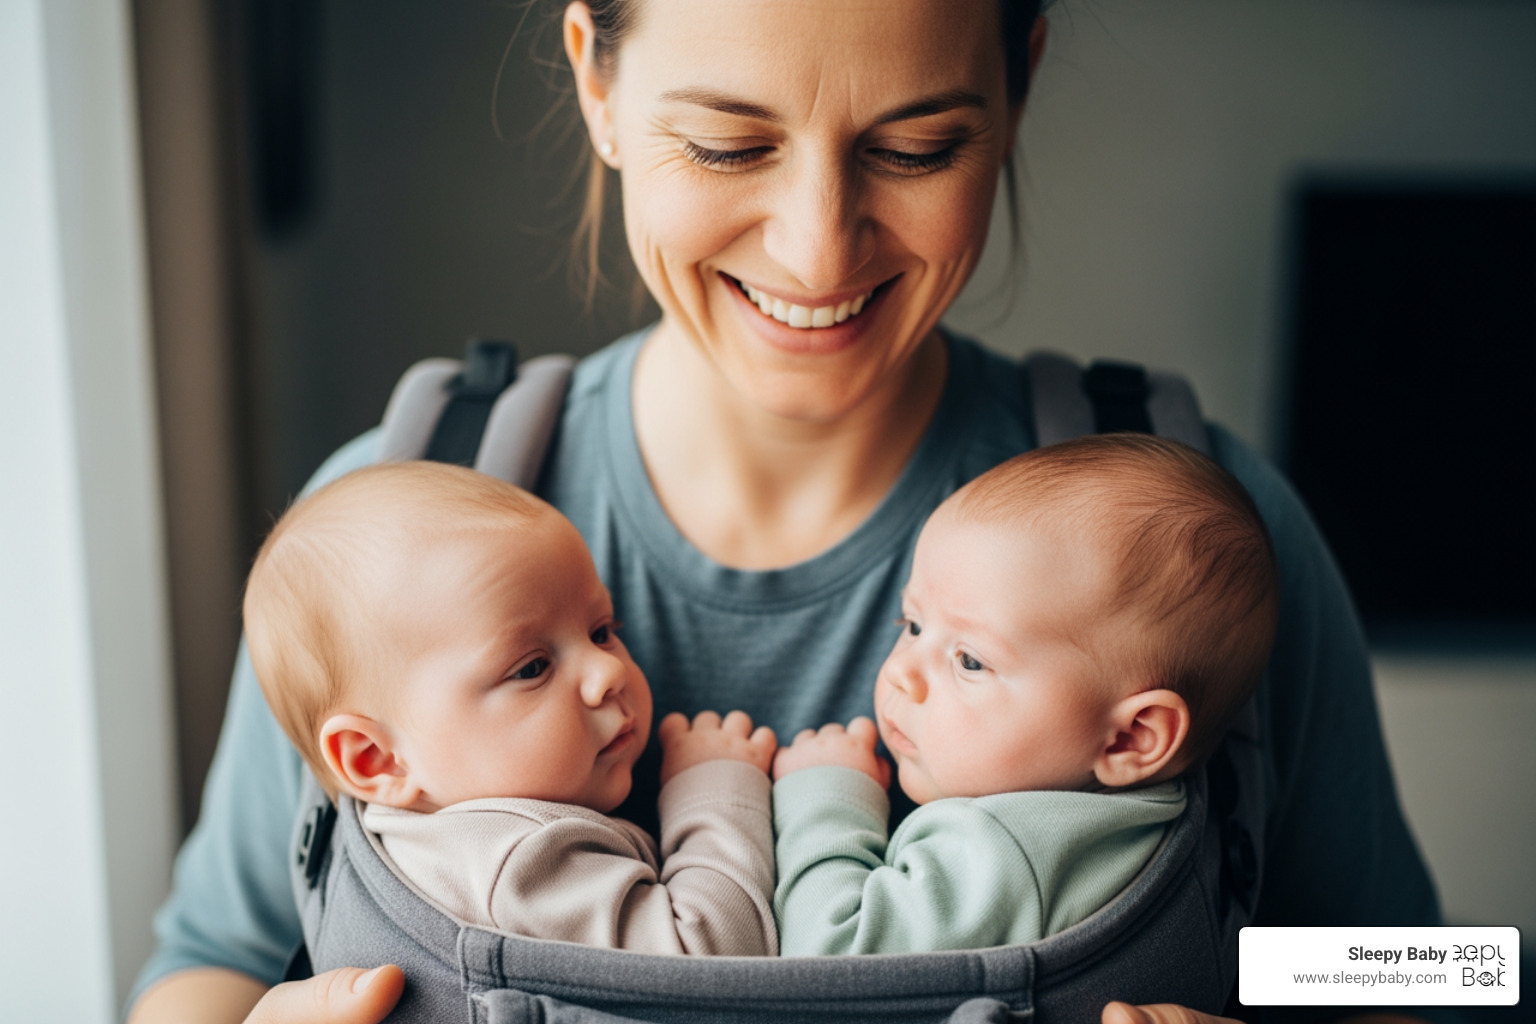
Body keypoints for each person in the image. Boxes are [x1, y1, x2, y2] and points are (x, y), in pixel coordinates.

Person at [127, 1, 1441, 1022]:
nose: (819, 249)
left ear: (1020, 80)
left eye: (917, 145)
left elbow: (1434, 974)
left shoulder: (1190, 529)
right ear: (595, 76)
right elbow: (211, 960)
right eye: (728, 142)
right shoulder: (391, 526)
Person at [242, 461, 778, 955]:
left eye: (602, 631)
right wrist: (715, 784)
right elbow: (712, 949)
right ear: (378, 759)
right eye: (531, 668)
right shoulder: (515, 865)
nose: (608, 672)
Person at [772, 434, 1277, 955]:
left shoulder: (1006, 851)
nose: (901, 671)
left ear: (1130, 737)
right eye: (913, 624)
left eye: (970, 660)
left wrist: (827, 794)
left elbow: (828, 953)